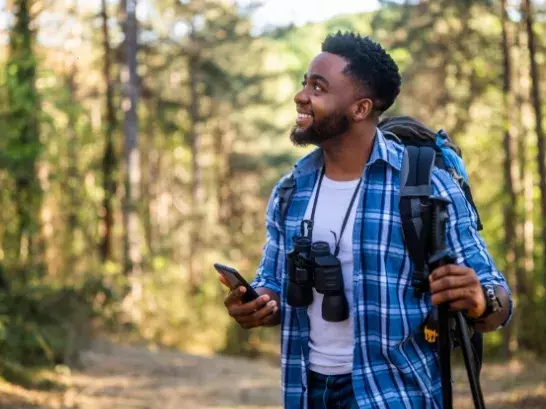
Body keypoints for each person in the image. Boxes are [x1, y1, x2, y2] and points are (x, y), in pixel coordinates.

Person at [219, 31, 512, 409]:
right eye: (304, 83)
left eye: (318, 87)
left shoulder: (425, 185)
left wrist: (479, 300)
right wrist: (259, 303)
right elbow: (273, 282)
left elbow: (498, 300)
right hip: (307, 393)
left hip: (397, 396)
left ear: (360, 109)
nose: (301, 96)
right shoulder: (291, 191)